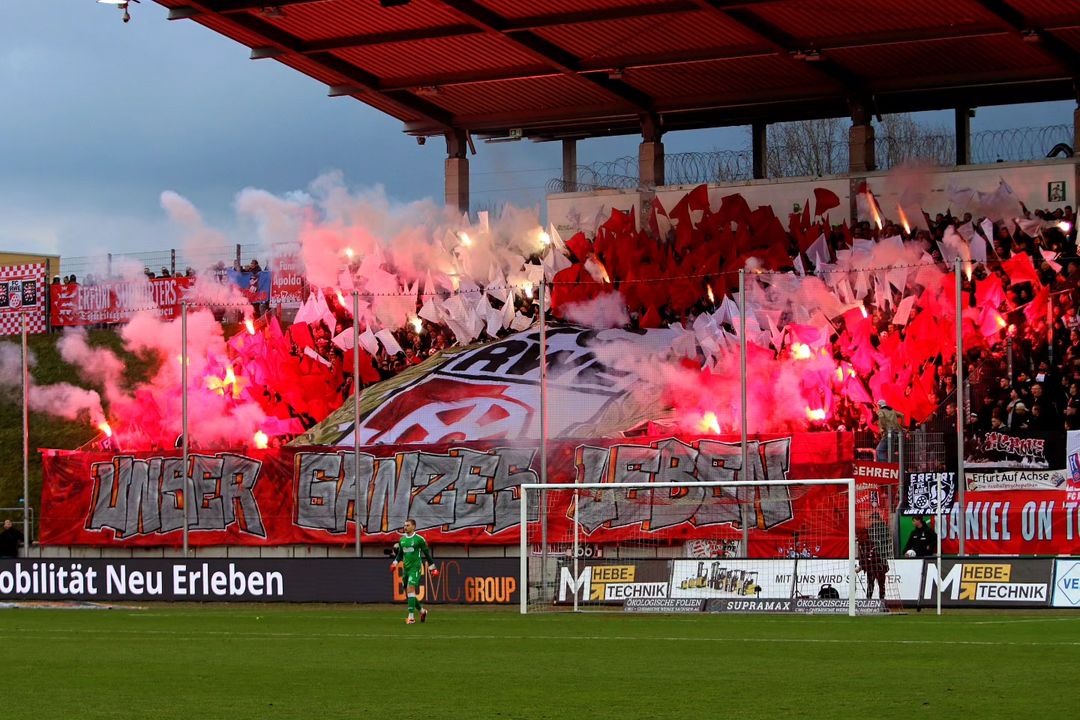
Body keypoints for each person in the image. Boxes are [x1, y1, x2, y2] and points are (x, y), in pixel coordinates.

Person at [391, 518, 437, 624]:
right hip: (406, 569)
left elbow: (427, 554)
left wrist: (433, 568)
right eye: (405, 525)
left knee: (410, 588)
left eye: (407, 525)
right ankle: (422, 611)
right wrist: (394, 563)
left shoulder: (419, 539)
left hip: (415, 568)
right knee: (409, 594)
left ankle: (411, 618)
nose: (405, 527)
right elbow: (400, 555)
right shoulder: (402, 540)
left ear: (413, 527)